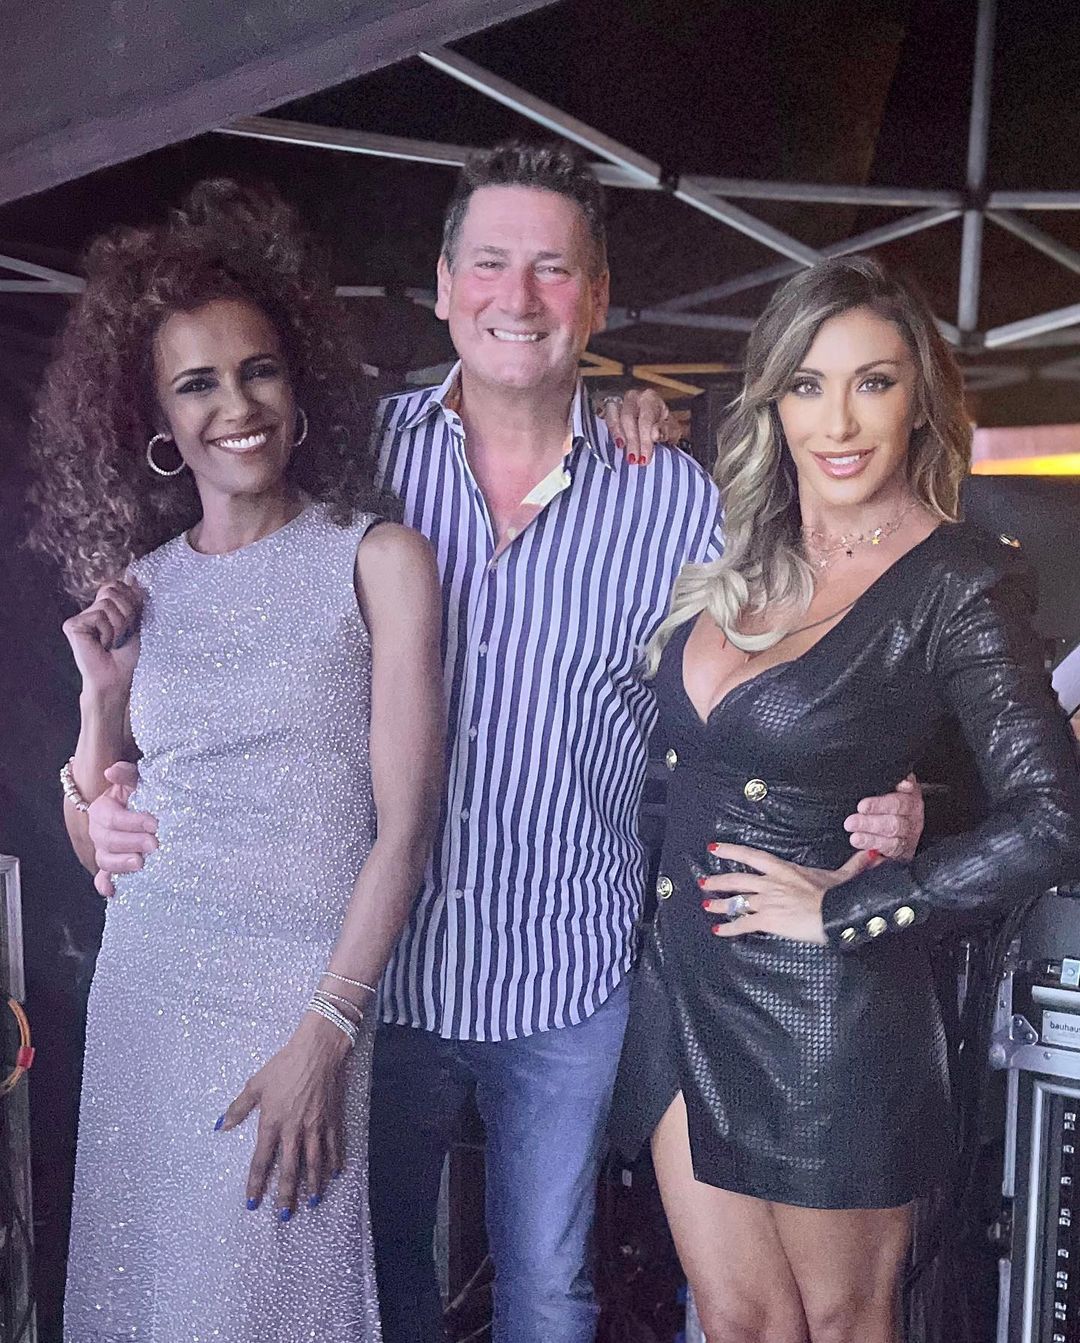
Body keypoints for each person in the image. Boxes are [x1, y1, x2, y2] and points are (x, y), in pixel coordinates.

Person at [82, 145, 924, 1343]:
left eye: (551, 269)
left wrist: (883, 785)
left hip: (565, 967)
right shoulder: (357, 460)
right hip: (373, 974)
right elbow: (223, 645)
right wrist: (98, 779)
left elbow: (786, 671)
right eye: (489, 264)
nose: (517, 297)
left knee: (546, 1293)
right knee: (381, 1288)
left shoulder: (673, 497)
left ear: (599, 296)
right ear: (442, 285)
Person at [611, 254, 1080, 1343]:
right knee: (735, 1319)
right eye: (808, 384)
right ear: (773, 403)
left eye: (873, 382)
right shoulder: (745, 547)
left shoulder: (959, 578)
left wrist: (850, 907)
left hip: (827, 1008)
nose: (839, 420)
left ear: (919, 398)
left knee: (842, 1323)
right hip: (681, 985)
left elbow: (1052, 816)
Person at [31, 180, 444, 1342]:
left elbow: (407, 829)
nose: (236, 404)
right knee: (151, 1304)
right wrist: (98, 704)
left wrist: (327, 1031)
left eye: (258, 370)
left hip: (300, 999)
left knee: (268, 1297)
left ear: (298, 386)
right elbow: (99, 839)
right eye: (198, 383)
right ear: (159, 419)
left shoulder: (378, 559)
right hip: (147, 994)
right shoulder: (142, 586)